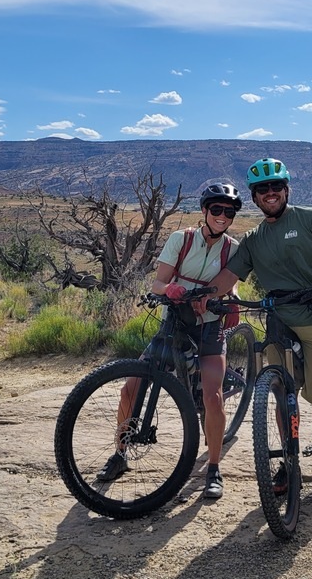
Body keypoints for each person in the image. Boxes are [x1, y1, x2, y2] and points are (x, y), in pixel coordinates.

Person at [200, 157, 312, 514]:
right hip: (277, 321)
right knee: (281, 395)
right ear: (255, 198)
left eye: (275, 187)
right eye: (262, 189)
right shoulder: (254, 240)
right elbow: (229, 277)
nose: (270, 193)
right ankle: (290, 462)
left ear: (286, 189)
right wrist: (205, 295)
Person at [96, 181, 244, 500]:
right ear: (205, 211)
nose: (222, 215)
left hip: (208, 326)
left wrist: (233, 300)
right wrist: (171, 290)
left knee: (212, 397)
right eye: (216, 209)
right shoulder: (183, 239)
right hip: (175, 323)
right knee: (130, 389)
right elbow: (158, 283)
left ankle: (214, 469)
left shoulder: (233, 248)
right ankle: (121, 453)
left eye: (228, 211)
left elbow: (230, 284)